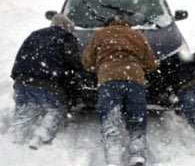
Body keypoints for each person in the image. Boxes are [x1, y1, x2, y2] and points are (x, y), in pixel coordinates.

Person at [82, 15, 157, 166]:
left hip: (109, 78)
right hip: (135, 78)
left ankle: (113, 158)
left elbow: (87, 61)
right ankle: (137, 156)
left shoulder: (99, 34)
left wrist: (99, 67)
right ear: (126, 24)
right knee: (137, 118)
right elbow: (151, 65)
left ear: (107, 24)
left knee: (110, 119)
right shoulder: (138, 36)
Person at [9, 14, 81, 150]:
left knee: (24, 111)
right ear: (67, 27)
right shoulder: (66, 37)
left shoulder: (34, 34)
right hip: (48, 82)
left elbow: (20, 56)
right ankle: (39, 139)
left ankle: (14, 140)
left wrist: (17, 77)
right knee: (56, 109)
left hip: (22, 80)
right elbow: (74, 61)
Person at [154, 52, 195, 148]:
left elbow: (163, 88)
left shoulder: (165, 67)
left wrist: (175, 103)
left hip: (186, 90)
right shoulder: (192, 59)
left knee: (190, 116)